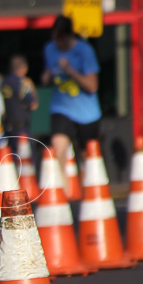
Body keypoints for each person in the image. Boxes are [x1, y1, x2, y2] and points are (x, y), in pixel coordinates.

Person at [41, 15, 101, 172]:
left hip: (86, 113)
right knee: (58, 146)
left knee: (86, 157)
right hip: (61, 108)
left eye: (61, 40)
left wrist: (70, 70)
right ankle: (61, 192)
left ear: (70, 36)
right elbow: (49, 70)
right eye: (55, 39)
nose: (58, 44)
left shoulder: (85, 51)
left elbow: (92, 86)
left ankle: (89, 189)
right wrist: (46, 76)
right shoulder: (49, 49)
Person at [1, 54, 39, 152]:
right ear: (24, 68)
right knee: (26, 157)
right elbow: (33, 104)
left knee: (12, 156)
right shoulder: (23, 83)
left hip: (8, 126)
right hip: (22, 127)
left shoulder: (5, 81)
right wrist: (32, 87)